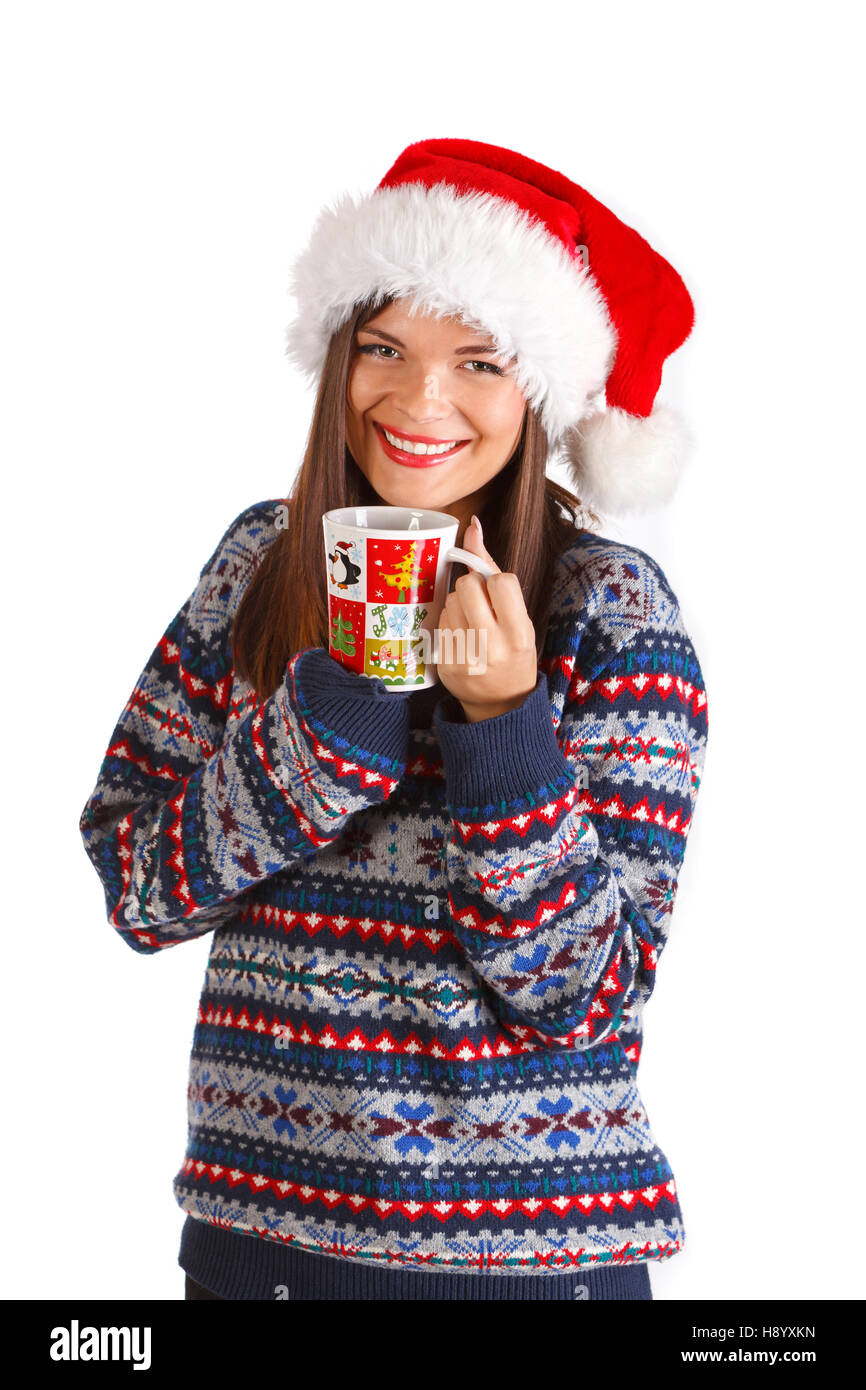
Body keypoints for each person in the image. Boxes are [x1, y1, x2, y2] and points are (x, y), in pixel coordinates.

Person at [79, 138, 709, 1301]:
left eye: (478, 360)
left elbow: (583, 991)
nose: (420, 399)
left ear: (538, 392)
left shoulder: (606, 613)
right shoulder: (257, 568)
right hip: (255, 1255)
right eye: (383, 347)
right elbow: (138, 887)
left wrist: (503, 728)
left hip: (521, 1271)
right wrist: (335, 715)